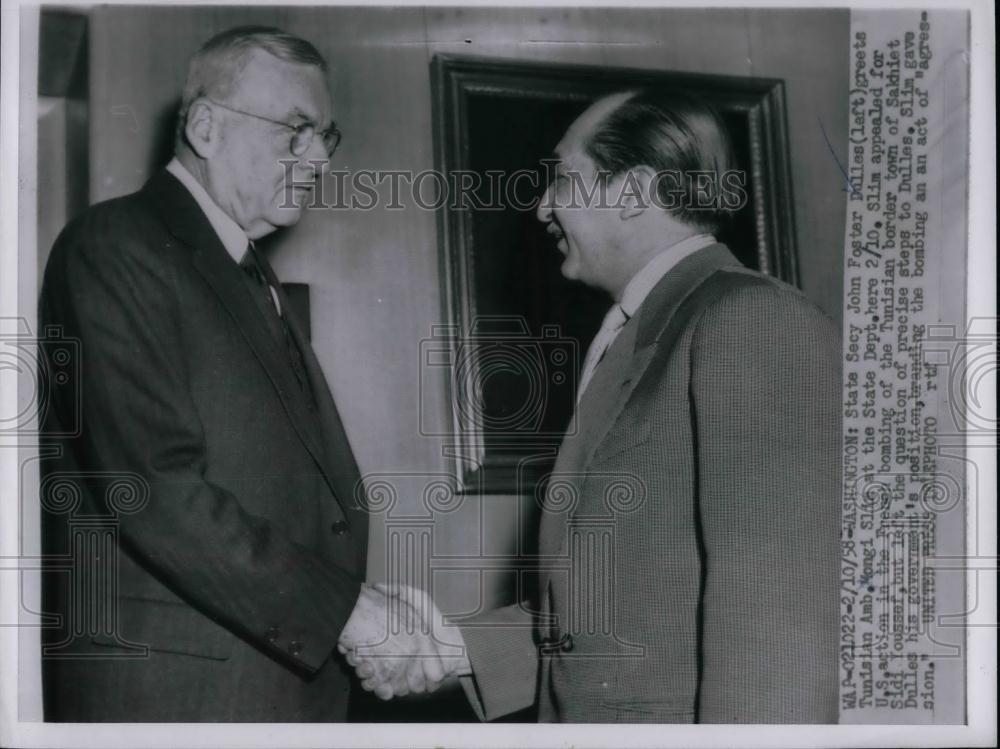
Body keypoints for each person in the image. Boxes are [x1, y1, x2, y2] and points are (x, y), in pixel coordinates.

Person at [342, 90, 841, 723]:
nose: (543, 204)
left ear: (633, 192)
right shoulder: (646, 328)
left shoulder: (751, 321)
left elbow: (782, 625)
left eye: (563, 177)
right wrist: (447, 645)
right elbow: (629, 607)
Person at [39, 26, 408, 722]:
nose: (317, 160)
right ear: (205, 127)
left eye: (325, 137)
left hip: (270, 689)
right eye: (294, 130)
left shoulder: (245, 270)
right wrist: (348, 613)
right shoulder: (116, 245)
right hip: (182, 699)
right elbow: (154, 487)